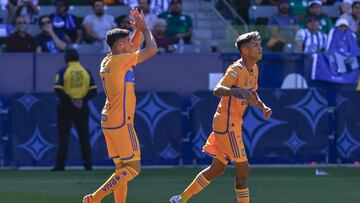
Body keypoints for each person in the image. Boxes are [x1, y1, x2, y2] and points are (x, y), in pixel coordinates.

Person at [170, 31, 272, 203]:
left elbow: (252, 92)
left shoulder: (254, 68)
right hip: (227, 125)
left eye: (259, 44)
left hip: (232, 124)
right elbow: (217, 90)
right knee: (243, 170)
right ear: (245, 51)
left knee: (216, 169)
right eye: (256, 45)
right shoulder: (235, 69)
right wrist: (236, 91)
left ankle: (180, 199)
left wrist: (262, 106)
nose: (260, 48)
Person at [82, 8, 157, 203]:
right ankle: (95, 198)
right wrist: (146, 30)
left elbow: (131, 45)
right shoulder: (121, 62)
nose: (131, 44)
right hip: (122, 121)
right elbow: (152, 50)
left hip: (109, 120)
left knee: (121, 169)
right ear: (121, 45)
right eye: (127, 42)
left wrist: (138, 30)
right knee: (133, 168)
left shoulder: (109, 60)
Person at [52, 48, 97, 171]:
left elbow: (58, 89)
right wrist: (81, 100)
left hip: (65, 107)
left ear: (66, 58)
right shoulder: (85, 71)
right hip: (82, 107)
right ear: (78, 58)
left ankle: (60, 165)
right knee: (84, 135)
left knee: (63, 136)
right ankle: (88, 164)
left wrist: (71, 100)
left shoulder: (63, 71)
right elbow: (93, 90)